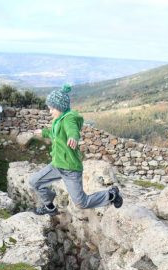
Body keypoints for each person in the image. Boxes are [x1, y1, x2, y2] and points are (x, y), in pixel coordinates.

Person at [29, 84, 123, 215]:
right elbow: (55, 134)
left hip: (70, 169)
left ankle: (111, 195)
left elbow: (72, 129)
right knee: (34, 182)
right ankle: (49, 206)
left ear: (60, 107)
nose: (50, 112)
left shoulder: (68, 118)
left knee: (81, 203)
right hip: (57, 165)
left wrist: (73, 136)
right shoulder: (58, 120)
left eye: (52, 108)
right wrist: (43, 132)